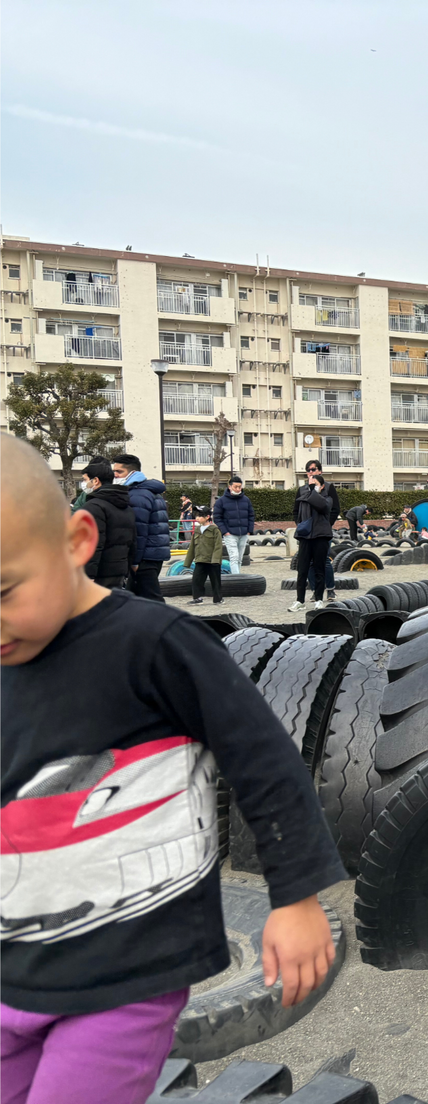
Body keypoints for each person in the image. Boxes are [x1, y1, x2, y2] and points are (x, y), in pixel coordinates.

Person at [0, 434, 345, 1102]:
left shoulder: (155, 645)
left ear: (77, 541)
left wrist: (296, 898)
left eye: (5, 590)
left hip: (126, 969)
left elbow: (264, 759)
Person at [111, 454, 170, 603]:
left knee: (152, 599)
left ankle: (170, 619)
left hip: (145, 556)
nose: (115, 475)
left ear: (132, 472)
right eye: (114, 471)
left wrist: (135, 561)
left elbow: (138, 529)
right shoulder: (148, 491)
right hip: (153, 551)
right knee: (135, 599)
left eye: (119, 471)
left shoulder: (138, 494)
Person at [75, 459, 135, 591]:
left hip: (99, 572)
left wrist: (88, 574)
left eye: (85, 480)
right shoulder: (125, 506)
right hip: (119, 570)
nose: (84, 484)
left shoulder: (94, 507)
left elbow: (93, 544)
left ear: (96, 480)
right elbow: (132, 541)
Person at [288, 461, 339, 613]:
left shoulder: (327, 490)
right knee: (302, 568)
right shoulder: (302, 490)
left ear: (320, 471)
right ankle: (300, 600)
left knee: (321, 565)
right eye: (308, 470)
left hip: (321, 534)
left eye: (313, 469)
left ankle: (320, 597)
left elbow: (329, 508)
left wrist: (326, 524)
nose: (310, 472)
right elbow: (296, 510)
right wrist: (301, 524)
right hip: (305, 535)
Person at [183, 504, 225, 606]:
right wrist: (187, 562)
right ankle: (197, 598)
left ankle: (218, 599)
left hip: (212, 561)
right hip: (200, 560)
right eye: (196, 515)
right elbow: (192, 547)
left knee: (215, 581)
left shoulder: (215, 530)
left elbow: (218, 546)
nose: (197, 518)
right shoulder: (197, 530)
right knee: (196, 580)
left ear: (207, 517)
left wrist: (215, 560)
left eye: (200, 516)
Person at [212, 475, 255, 572]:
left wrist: (249, 530)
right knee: (234, 557)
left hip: (244, 533)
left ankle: (236, 576)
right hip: (230, 534)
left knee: (240, 558)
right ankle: (236, 577)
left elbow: (251, 515)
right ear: (230, 487)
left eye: (240, 487)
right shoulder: (221, 501)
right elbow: (217, 517)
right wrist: (225, 532)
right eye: (235, 487)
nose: (238, 489)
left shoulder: (246, 500)